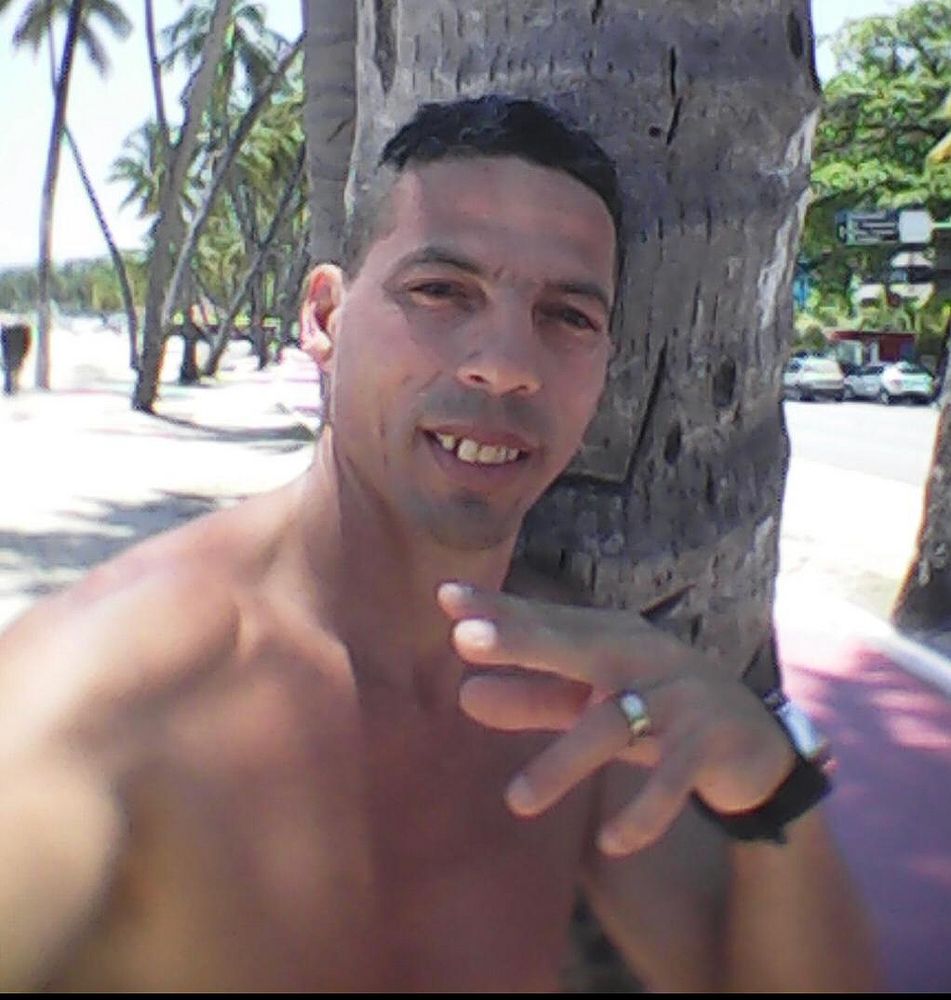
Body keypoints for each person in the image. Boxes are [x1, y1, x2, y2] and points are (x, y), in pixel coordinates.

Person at [0, 96, 879, 992]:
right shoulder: (105, 689)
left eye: (566, 316)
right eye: (440, 291)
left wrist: (772, 784)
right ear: (324, 318)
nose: (505, 364)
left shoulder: (576, 684)